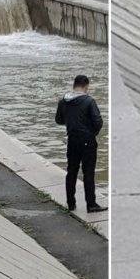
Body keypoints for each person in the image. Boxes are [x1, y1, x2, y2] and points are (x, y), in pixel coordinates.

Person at [55, 74, 105, 213]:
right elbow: (98, 122)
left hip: (72, 140)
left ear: (74, 85)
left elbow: (59, 120)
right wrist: (92, 133)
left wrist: (72, 122)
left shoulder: (63, 101)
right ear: (85, 86)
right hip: (87, 141)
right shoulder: (89, 101)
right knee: (88, 173)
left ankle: (71, 203)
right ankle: (91, 204)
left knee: (71, 171)